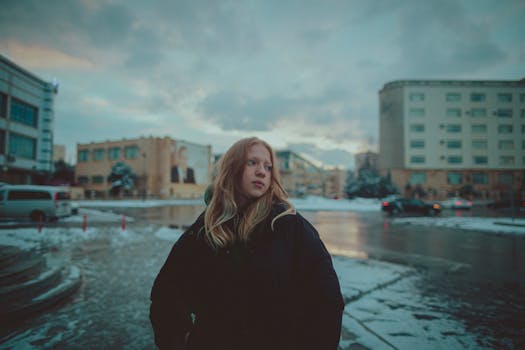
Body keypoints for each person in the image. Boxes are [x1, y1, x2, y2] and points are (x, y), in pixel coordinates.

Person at [150, 137, 344, 350]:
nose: (262, 171)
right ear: (232, 168)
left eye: (268, 167)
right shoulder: (207, 228)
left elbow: (327, 302)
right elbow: (167, 294)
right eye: (252, 162)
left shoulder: (289, 225)